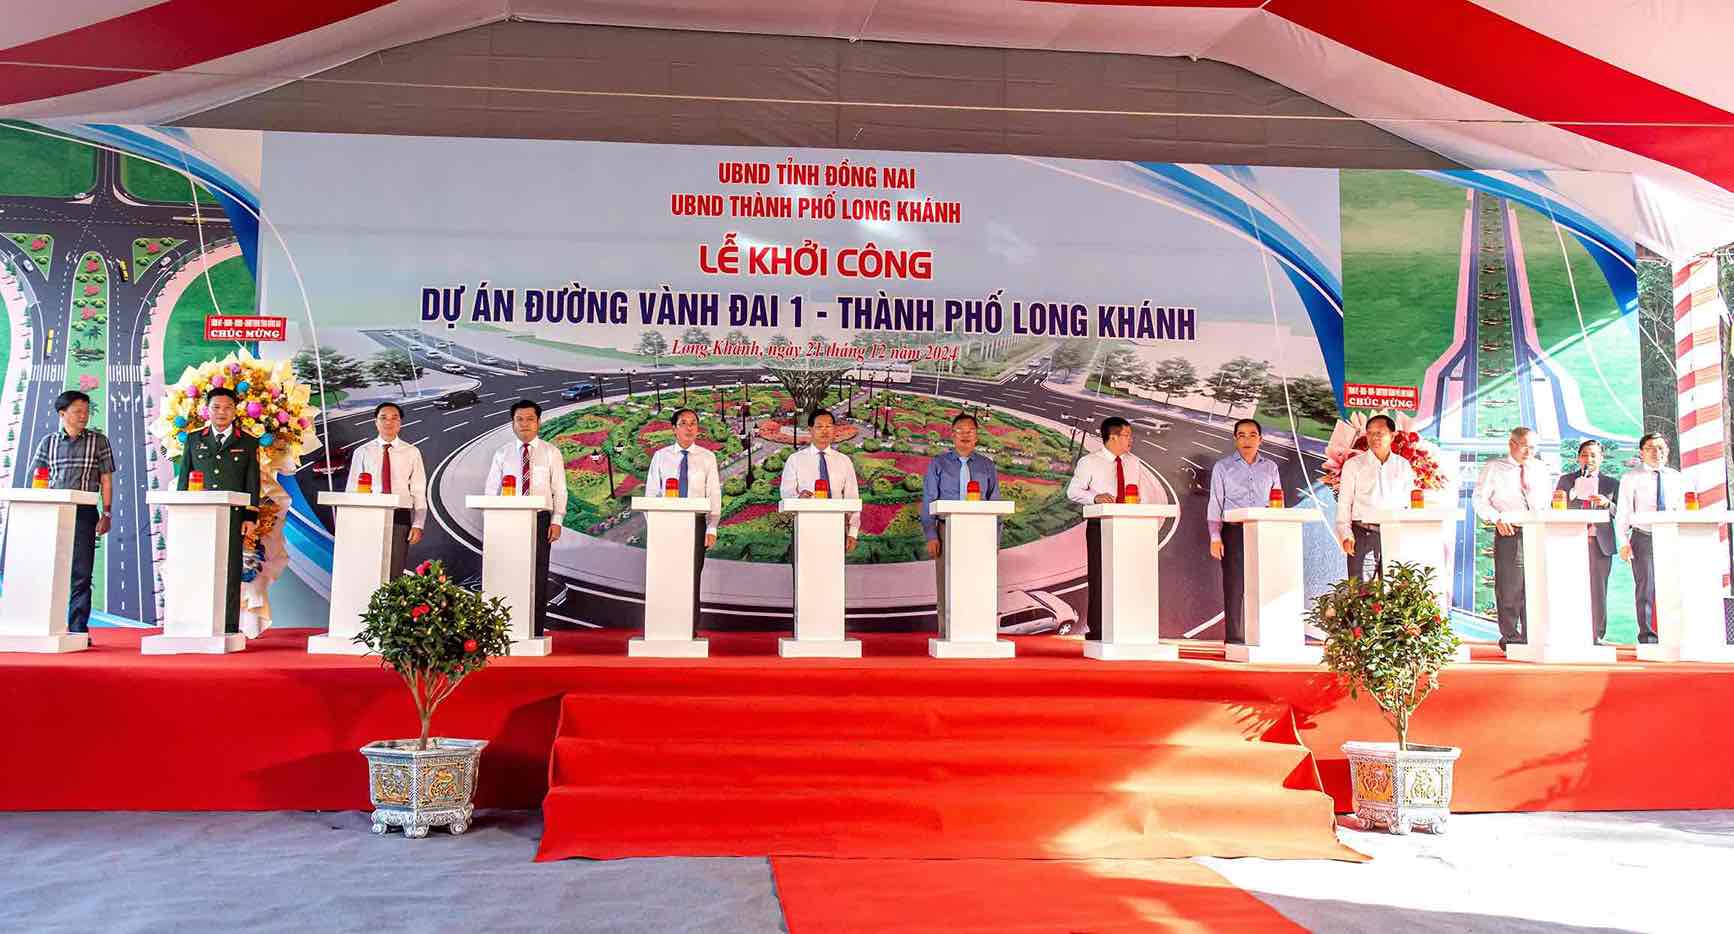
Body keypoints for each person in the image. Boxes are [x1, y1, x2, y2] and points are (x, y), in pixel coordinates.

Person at [26, 390, 115, 637]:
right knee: (50, 568)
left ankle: (78, 629)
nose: (83, 416)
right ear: (62, 413)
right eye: (77, 411)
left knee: (81, 572)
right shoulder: (48, 442)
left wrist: (106, 513)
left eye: (86, 411)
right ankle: (46, 626)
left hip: (85, 513)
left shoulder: (99, 441)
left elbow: (106, 480)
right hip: (53, 511)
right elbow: (37, 479)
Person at [176, 387, 260, 635]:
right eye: (216, 407)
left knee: (230, 570)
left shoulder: (248, 441)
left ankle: (228, 625)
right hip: (199, 517)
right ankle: (194, 621)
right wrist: (182, 512)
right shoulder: (193, 439)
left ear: (235, 411)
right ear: (207, 410)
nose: (221, 412)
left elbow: (252, 483)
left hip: (233, 517)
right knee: (196, 567)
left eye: (227, 408)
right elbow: (183, 479)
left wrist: (250, 517)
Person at [1067, 416, 1160, 641]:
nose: (1131, 440)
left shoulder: (1133, 462)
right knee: (1100, 576)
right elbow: (1073, 492)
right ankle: (1098, 628)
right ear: (1113, 437)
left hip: (1128, 526)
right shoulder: (1090, 462)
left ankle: (1126, 624)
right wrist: (1095, 497)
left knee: (1128, 575)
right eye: (1127, 435)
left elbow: (1138, 494)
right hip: (1101, 525)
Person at [483, 400, 567, 634]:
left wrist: (556, 520)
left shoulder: (551, 452)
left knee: (538, 575)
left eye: (530, 419)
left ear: (538, 422)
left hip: (540, 521)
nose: (525, 424)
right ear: (512, 424)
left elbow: (559, 490)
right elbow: (491, 491)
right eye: (519, 419)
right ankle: (504, 631)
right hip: (508, 522)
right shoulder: (502, 454)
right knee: (507, 572)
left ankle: (535, 631)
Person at [1472, 427, 1555, 649]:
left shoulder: (1540, 468)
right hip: (1510, 532)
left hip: (1537, 531)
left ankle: (1533, 635)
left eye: (1534, 447)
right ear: (1512, 444)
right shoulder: (1495, 468)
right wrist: (1497, 518)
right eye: (1526, 445)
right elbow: (1479, 500)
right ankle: (1510, 636)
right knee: (1510, 588)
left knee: (1536, 585)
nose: (1530, 451)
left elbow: (1546, 500)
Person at [920, 412, 999, 636]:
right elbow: (928, 500)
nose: (965, 435)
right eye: (960, 431)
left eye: (970, 431)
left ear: (977, 436)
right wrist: (931, 535)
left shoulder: (987, 466)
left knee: (977, 584)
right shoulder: (939, 463)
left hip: (980, 533)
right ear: (952, 435)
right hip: (947, 531)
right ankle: (947, 635)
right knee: (947, 585)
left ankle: (978, 634)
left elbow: (995, 503)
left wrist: (995, 540)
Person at [1206, 418, 1283, 644]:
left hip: (1263, 531)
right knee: (1235, 585)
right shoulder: (1223, 467)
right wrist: (1215, 537)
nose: (1247, 440)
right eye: (1241, 435)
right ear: (1234, 439)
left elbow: (1277, 500)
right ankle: (1235, 639)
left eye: (1252, 435)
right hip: (1234, 533)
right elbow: (1215, 503)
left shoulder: (1270, 467)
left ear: (1260, 439)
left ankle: (1262, 635)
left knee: (1264, 583)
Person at [645, 408, 722, 627]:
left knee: (691, 576)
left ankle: (689, 628)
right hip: (666, 525)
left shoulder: (707, 457)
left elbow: (714, 493)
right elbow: (651, 494)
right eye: (684, 423)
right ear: (673, 429)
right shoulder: (661, 456)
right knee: (666, 575)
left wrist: (712, 527)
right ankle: (664, 625)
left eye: (693, 423)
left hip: (695, 524)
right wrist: (657, 527)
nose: (689, 428)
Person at [1617, 433, 1684, 645]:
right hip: (1643, 538)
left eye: (1661, 448)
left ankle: (1673, 634)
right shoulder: (1631, 478)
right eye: (1651, 448)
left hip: (1671, 538)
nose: (1657, 453)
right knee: (1645, 589)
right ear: (1641, 452)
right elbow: (1623, 512)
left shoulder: (1676, 477)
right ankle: (1647, 637)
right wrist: (1623, 543)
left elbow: (1682, 508)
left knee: (1673, 587)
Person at [345, 401, 427, 575]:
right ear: (376, 422)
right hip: (369, 515)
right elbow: (351, 490)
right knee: (367, 567)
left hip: (399, 516)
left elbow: (419, 492)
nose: (388, 422)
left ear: (400, 423)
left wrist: (418, 524)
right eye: (383, 418)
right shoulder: (363, 452)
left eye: (394, 418)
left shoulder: (412, 452)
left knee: (394, 569)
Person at [1334, 415, 1415, 581]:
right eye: (1370, 433)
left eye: (1380, 433)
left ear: (1393, 435)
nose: (1374, 437)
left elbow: (1409, 504)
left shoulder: (1403, 465)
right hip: (1362, 533)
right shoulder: (1354, 465)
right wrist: (1346, 534)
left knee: (1394, 590)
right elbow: (1344, 503)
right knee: (1360, 591)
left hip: (1393, 532)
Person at [1556, 440, 1618, 644]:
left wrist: (1607, 503)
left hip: (1600, 543)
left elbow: (1622, 512)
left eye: (1593, 455)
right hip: (1572, 541)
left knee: (1598, 590)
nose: (1589, 459)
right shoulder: (1566, 480)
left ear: (1601, 458)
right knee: (1570, 587)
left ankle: (1596, 635)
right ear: (1577, 458)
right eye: (1584, 455)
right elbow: (1555, 507)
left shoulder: (1611, 483)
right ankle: (1570, 632)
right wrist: (1574, 491)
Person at [779, 409, 861, 551]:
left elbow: (852, 498)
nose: (825, 430)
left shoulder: (844, 461)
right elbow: (786, 493)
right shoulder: (795, 460)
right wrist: (799, 498)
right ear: (810, 430)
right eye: (819, 426)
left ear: (834, 429)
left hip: (836, 527)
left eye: (829, 426)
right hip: (805, 528)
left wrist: (853, 533)